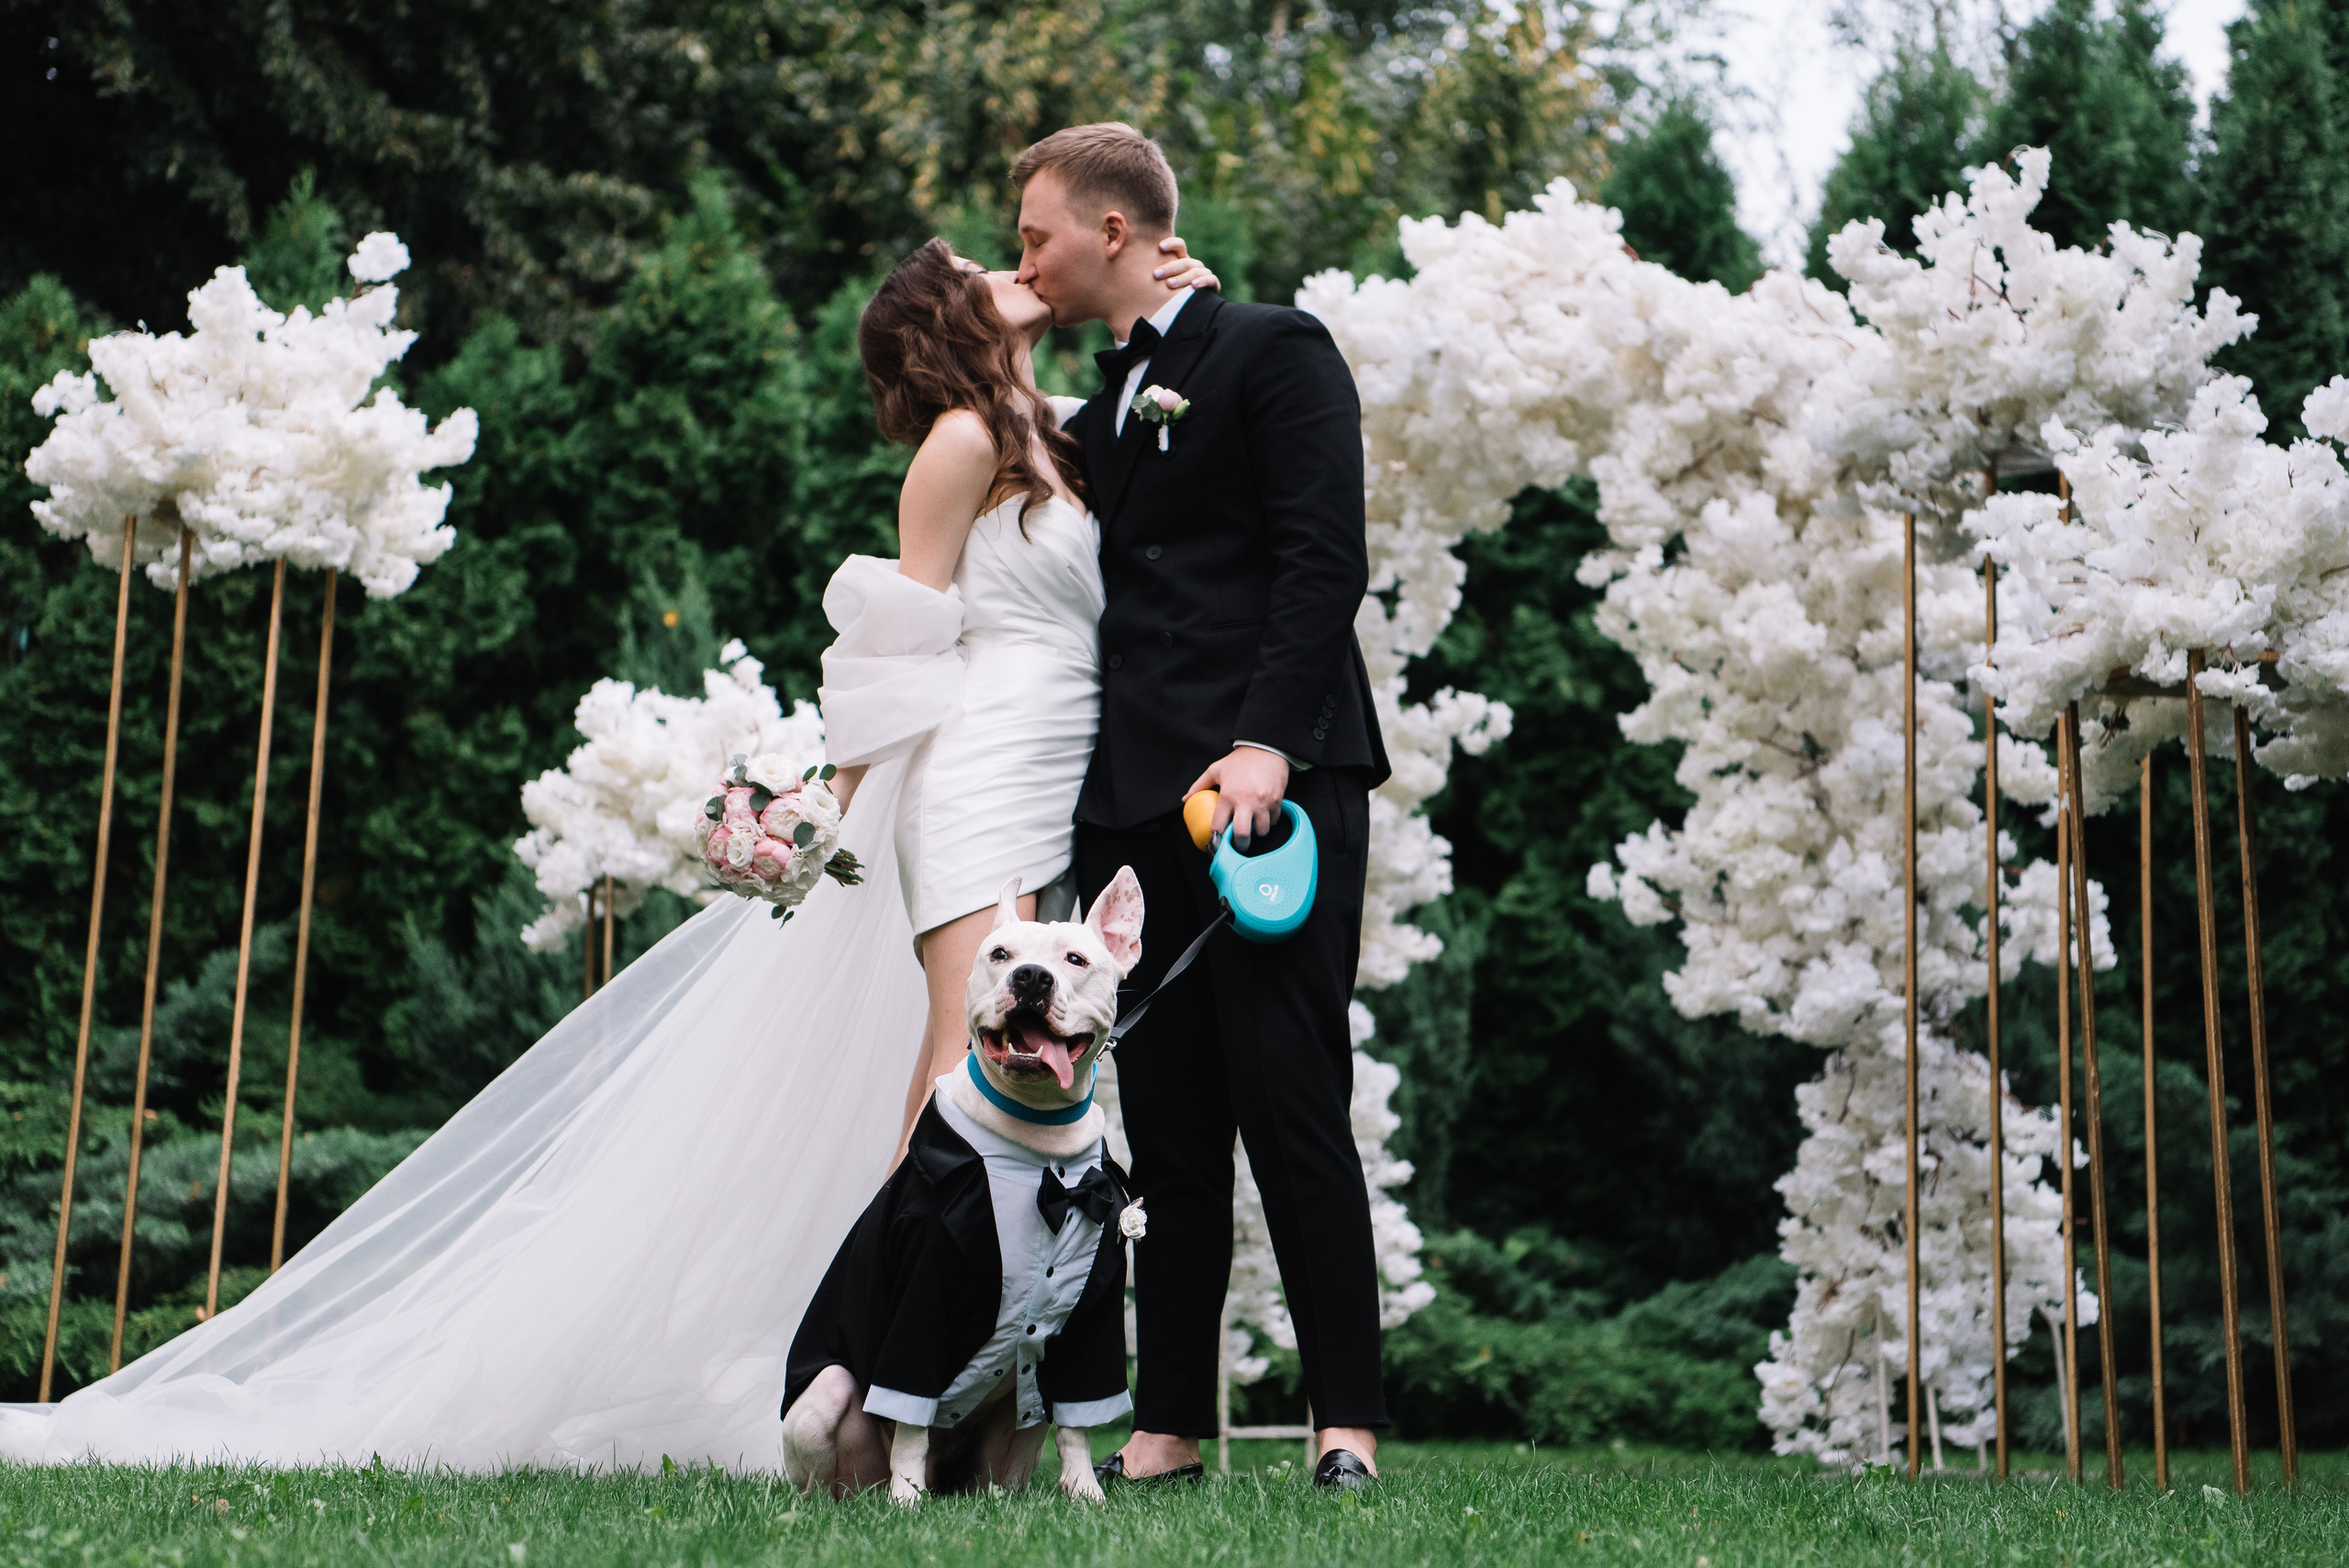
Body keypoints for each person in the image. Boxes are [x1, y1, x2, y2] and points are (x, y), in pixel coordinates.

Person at [0, 232, 1217, 1470]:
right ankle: (917, 1376)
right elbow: (900, 644)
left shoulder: (1055, 427)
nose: (1006, 261)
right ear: (942, 317)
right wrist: (822, 806)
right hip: (969, 776)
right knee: (960, 1065)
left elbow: (1155, 443)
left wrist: (1189, 306)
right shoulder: (959, 444)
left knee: (995, 1050)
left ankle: (960, 1376)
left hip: (1047, 769)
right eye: (977, 262)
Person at [1011, 123, 1391, 1491]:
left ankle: (1344, 1420)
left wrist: (1268, 745)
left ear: (1112, 231)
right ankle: (1168, 1426)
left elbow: (1321, 558)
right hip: (1130, 808)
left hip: (1262, 791)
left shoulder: (1274, 349)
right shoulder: (1112, 389)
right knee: (1163, 1129)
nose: (1027, 260)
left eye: (1037, 236)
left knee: (1293, 1101)